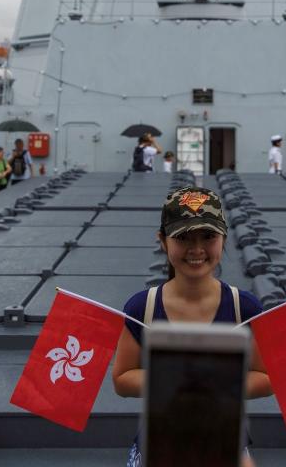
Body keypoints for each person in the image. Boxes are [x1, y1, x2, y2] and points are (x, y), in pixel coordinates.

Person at [112, 187, 272, 467]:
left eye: (208, 237)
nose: (196, 249)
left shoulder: (243, 308)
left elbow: (266, 376)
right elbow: (122, 378)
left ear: (223, 239)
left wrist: (214, 385)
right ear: (163, 241)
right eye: (183, 237)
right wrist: (175, 382)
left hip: (224, 444)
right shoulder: (142, 307)